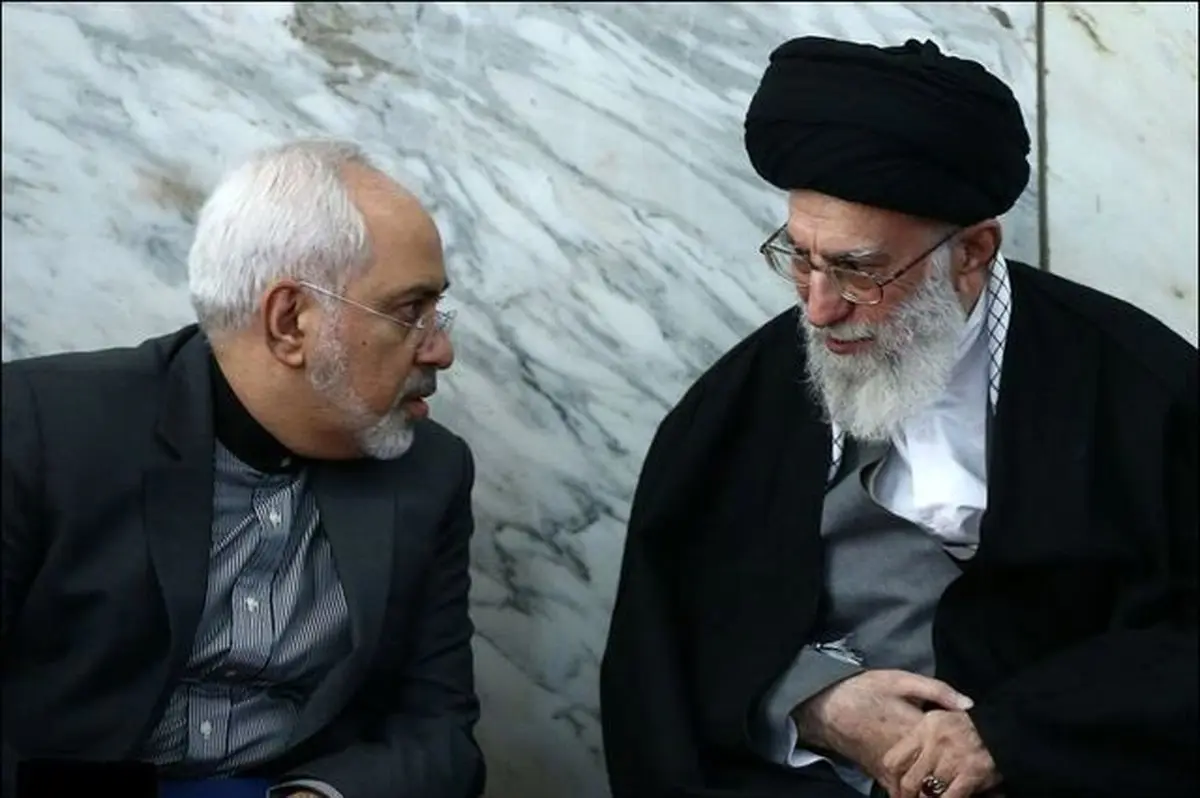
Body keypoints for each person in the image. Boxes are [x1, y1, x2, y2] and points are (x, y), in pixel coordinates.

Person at [600, 36, 1197, 798]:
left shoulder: (1144, 391)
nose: (820, 308)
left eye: (859, 270)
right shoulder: (737, 405)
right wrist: (813, 702)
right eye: (801, 259)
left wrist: (1018, 735)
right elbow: (664, 650)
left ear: (972, 253)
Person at [2, 140, 485, 798]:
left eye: (437, 312)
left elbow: (440, 731)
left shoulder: (431, 471)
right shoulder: (37, 428)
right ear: (290, 322)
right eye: (410, 313)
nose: (441, 349)